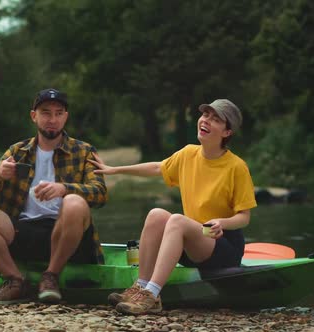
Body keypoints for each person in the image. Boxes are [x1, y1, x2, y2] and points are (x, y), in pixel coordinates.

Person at [91, 99, 257, 315]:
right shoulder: (189, 153)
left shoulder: (237, 167)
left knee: (176, 220)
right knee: (156, 214)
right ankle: (141, 287)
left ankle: (151, 294)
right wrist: (115, 170)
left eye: (215, 119)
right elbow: (158, 167)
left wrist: (222, 222)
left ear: (227, 132)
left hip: (223, 244)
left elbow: (244, 217)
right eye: (205, 115)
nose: (206, 120)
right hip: (194, 239)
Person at [0, 88, 107, 305]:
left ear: (65, 117)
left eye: (59, 113)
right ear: (34, 116)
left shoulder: (84, 151)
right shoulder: (17, 151)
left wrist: (64, 189)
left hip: (69, 236)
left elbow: (101, 194)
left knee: (74, 202)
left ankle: (51, 276)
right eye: (46, 113)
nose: (52, 120)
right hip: (23, 232)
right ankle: (14, 281)